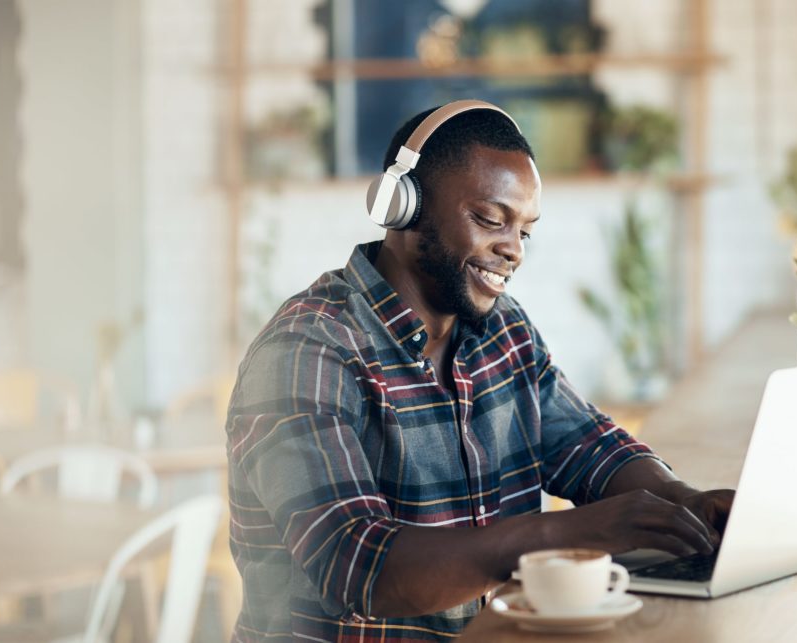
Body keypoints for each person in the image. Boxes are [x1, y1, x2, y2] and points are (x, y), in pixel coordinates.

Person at [226, 99, 734, 642]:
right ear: (404, 207)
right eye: (491, 220)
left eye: (525, 231)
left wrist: (683, 502)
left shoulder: (503, 329)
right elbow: (362, 567)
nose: (513, 250)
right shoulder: (308, 351)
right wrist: (573, 531)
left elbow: (588, 446)